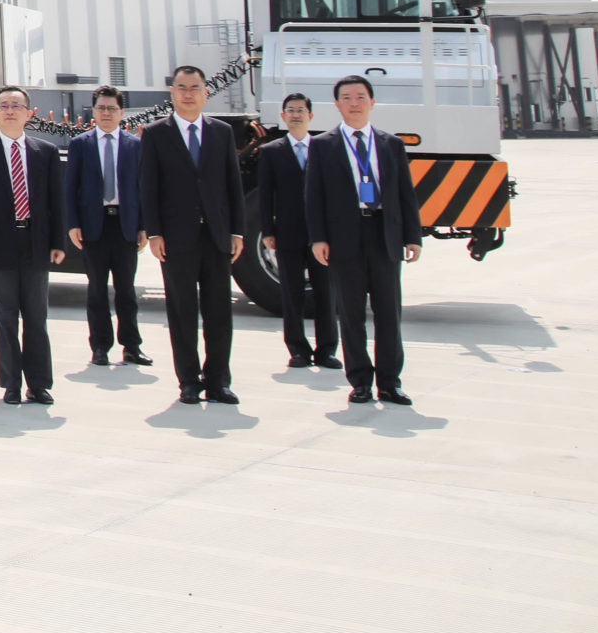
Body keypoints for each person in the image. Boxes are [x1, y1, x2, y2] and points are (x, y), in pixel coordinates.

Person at [305, 75, 423, 405]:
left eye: (360, 96)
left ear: (372, 102)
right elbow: (313, 197)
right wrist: (318, 239)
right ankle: (359, 380)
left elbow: (405, 195)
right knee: (351, 313)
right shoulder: (323, 145)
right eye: (347, 97)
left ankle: (390, 381)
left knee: (388, 312)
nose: (354, 102)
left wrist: (413, 236)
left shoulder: (391, 144)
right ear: (337, 105)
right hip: (345, 238)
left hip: (384, 235)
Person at [137, 65, 247, 404]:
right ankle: (188, 381)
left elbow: (233, 184)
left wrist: (237, 231)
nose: (188, 93)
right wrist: (154, 232)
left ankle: (218, 381)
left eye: (194, 87)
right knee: (182, 311)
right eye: (181, 87)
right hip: (176, 238)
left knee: (219, 312)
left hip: (216, 236)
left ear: (205, 92)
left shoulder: (221, 132)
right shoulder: (156, 133)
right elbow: (148, 186)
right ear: (172, 93)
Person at [0, 88, 66, 405]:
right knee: (5, 319)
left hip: (36, 242)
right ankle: (11, 384)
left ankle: (39, 383)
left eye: (16, 106)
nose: (9, 110)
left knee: (36, 318)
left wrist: (57, 242)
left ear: (28, 113)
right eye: (3, 106)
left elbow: (55, 202)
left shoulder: (45, 152)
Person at [60, 86, 151, 369]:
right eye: (101, 108)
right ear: (94, 112)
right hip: (93, 226)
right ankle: (100, 346)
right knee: (97, 290)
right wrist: (73, 224)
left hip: (124, 224)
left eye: (112, 108)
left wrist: (144, 226)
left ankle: (132, 346)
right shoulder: (81, 144)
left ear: (122, 112)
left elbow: (143, 189)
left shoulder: (134, 145)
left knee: (126, 290)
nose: (107, 113)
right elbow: (70, 188)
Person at [256, 93, 340, 370]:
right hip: (287, 233)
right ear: (282, 116)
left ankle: (327, 350)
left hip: (321, 235)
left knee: (326, 293)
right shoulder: (271, 151)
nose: (295, 115)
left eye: (301, 110)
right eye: (290, 110)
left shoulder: (324, 149)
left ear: (311, 116)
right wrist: (268, 229)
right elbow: (265, 195)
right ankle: (298, 350)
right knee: (291, 293)